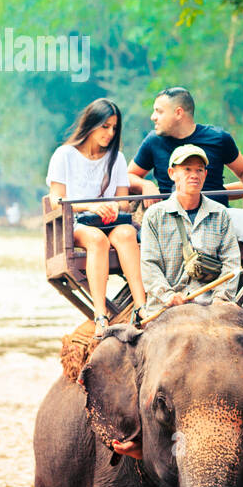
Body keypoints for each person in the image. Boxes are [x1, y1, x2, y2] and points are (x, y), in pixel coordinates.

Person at [128, 86, 243, 327]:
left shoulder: (217, 138)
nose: (153, 117)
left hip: (217, 215)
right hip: (172, 217)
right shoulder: (153, 142)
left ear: (178, 112)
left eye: (158, 111)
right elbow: (129, 176)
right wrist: (146, 185)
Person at [47, 98, 146, 329]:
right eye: (105, 126)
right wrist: (90, 206)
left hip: (111, 221)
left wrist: (115, 207)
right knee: (97, 239)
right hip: (79, 223)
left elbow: (123, 203)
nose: (110, 133)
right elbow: (56, 200)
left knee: (126, 234)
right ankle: (101, 314)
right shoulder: (65, 155)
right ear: (91, 124)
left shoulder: (117, 158)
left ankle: (142, 306)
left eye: (114, 128)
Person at [139, 144, 240, 319]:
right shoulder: (154, 216)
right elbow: (149, 265)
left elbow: (231, 262)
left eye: (199, 170)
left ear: (205, 174)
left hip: (209, 306)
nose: (194, 175)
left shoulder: (220, 213)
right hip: (165, 309)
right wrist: (168, 296)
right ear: (172, 174)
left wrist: (220, 299)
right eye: (187, 169)